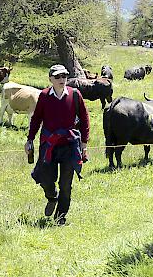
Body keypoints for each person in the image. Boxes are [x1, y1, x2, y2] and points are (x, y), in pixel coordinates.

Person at [25, 64, 89, 225]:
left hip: (70, 145)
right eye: (58, 77)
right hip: (49, 144)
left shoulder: (75, 95)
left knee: (66, 184)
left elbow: (84, 118)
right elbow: (37, 118)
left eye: (64, 76)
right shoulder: (45, 96)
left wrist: (84, 143)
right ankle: (52, 197)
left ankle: (61, 217)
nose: (62, 80)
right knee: (46, 178)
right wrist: (30, 139)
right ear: (51, 79)